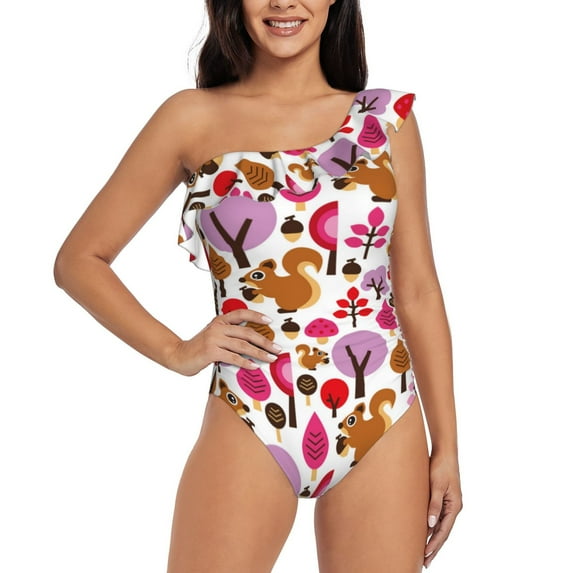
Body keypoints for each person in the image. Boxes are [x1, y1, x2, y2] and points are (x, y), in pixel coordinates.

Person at [54, 0, 462, 571]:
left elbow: (417, 289)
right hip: (252, 403)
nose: (283, 2)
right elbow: (79, 260)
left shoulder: (385, 121)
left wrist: (447, 447)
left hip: (383, 410)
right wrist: (177, 350)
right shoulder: (191, 117)